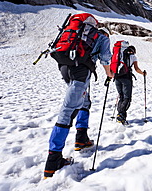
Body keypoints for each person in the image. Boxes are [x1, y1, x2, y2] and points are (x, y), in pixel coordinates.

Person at [44, 25, 113, 178]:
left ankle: (81, 138)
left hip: (65, 67)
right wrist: (110, 74)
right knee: (68, 111)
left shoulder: (80, 35)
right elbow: (106, 59)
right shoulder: (103, 38)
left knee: (84, 101)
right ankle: (53, 161)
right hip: (80, 71)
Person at [115, 45, 147, 124]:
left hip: (117, 77)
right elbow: (136, 69)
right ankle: (121, 115)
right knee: (127, 98)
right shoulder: (133, 57)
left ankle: (120, 115)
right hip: (126, 78)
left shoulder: (120, 55)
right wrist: (143, 73)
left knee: (121, 96)